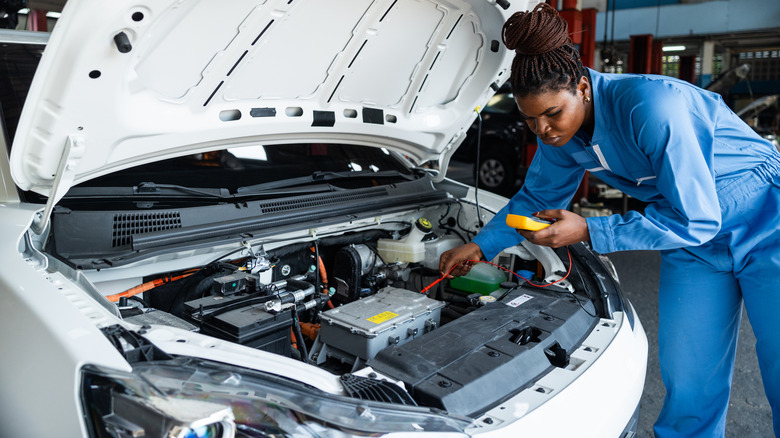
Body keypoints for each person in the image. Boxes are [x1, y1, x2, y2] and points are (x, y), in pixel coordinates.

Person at [438, 3, 780, 437]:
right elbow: (537, 196)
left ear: (581, 87)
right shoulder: (561, 136)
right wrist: (481, 245)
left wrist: (589, 228)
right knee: (689, 376)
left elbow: (697, 215)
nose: (543, 129)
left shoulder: (652, 107)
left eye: (552, 114)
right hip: (690, 237)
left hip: (764, 213)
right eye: (531, 120)